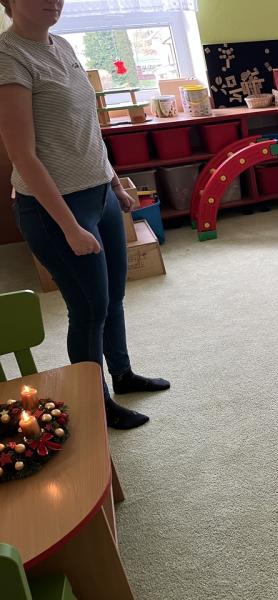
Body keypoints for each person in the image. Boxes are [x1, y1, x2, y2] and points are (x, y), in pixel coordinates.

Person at [0, 0, 169, 430]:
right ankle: (96, 401)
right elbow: (23, 155)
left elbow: (88, 128)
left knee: (114, 297)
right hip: (56, 208)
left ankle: (122, 374)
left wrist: (115, 183)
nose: (53, 1)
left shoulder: (63, 46)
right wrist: (69, 226)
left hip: (100, 194)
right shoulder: (8, 57)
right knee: (89, 307)